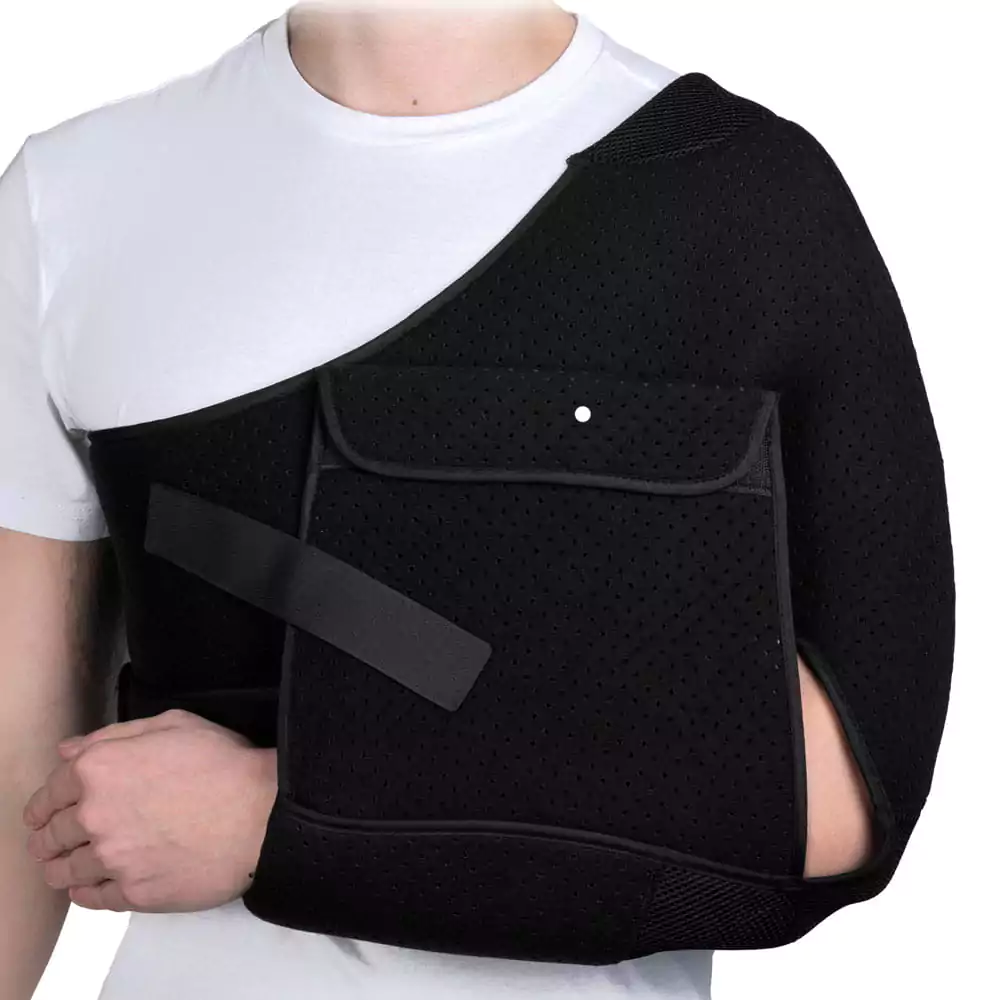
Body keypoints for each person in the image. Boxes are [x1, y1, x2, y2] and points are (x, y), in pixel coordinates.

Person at [0, 2, 879, 998]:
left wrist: (272, 818)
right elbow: (20, 762)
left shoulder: (740, 195)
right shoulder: (70, 199)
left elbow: (845, 792)